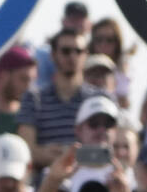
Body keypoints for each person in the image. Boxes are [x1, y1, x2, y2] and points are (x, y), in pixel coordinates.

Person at [18, 28, 102, 168]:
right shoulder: (33, 98)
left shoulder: (99, 99)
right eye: (66, 51)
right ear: (53, 55)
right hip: (45, 183)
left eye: (78, 51)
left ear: (86, 54)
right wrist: (80, 155)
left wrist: (64, 154)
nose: (72, 56)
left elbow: (106, 152)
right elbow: (25, 151)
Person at [88, 17, 132, 108]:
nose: (103, 45)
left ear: (117, 43)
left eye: (109, 40)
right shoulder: (82, 67)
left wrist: (122, 76)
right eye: (99, 40)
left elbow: (124, 105)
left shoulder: (125, 71)